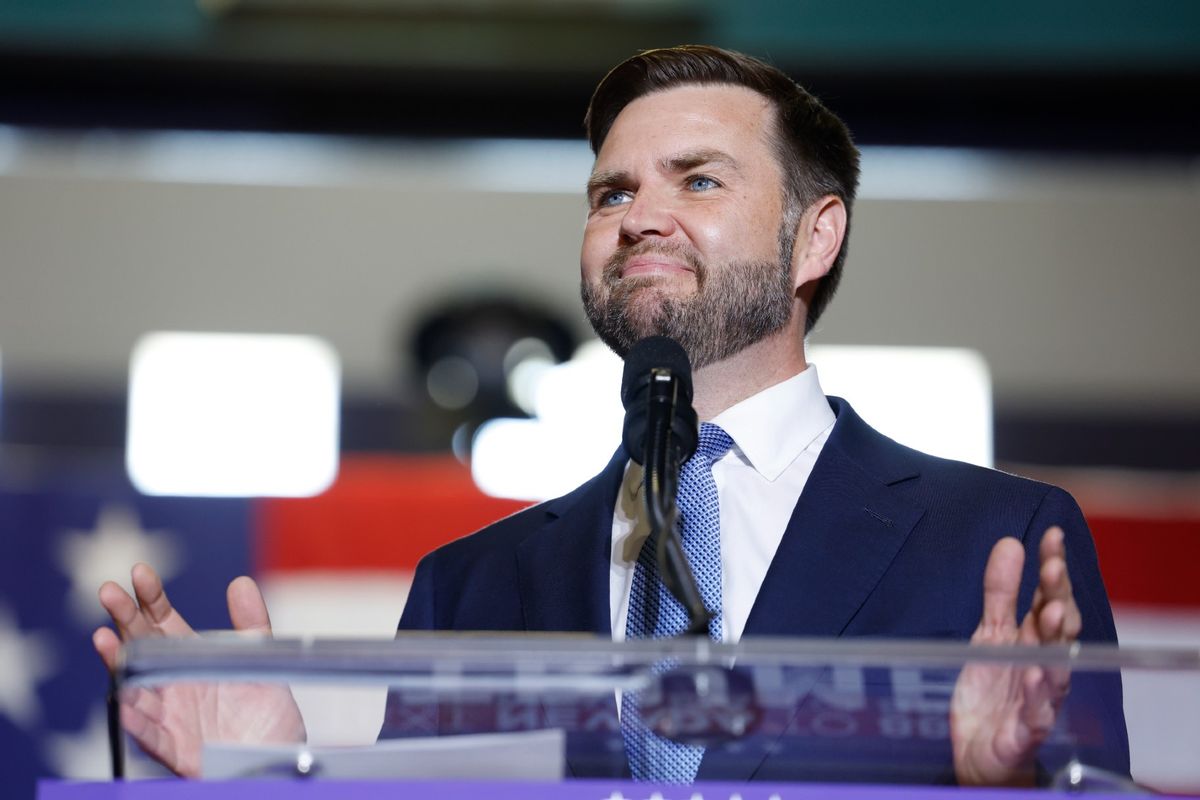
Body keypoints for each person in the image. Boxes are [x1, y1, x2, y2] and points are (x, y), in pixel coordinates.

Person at [95, 45, 1127, 786]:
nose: (639, 217)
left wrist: (1015, 787)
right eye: (610, 193)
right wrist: (282, 774)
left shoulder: (998, 541)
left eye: (700, 179)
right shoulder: (471, 586)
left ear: (815, 239)